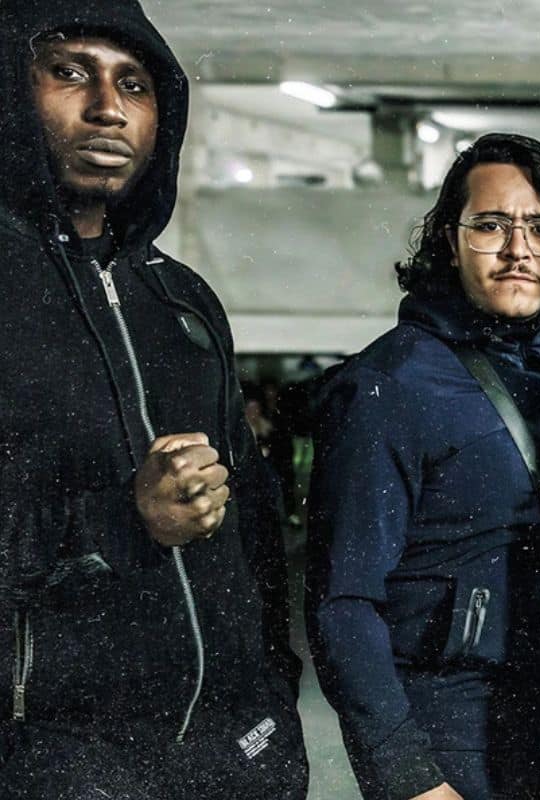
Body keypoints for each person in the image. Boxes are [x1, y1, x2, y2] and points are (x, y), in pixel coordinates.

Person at [0, 1, 309, 797]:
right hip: (49, 765)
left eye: (134, 83)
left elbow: (253, 533)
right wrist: (120, 522)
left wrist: (271, 710)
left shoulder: (180, 300)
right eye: (69, 71)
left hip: (223, 757)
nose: (107, 106)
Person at [306, 133, 540, 800]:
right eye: (490, 225)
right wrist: (408, 774)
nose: (518, 249)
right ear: (449, 239)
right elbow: (342, 603)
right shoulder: (390, 385)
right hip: (448, 735)